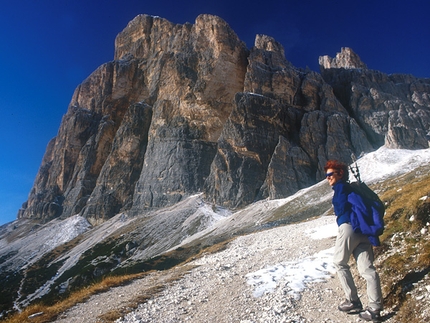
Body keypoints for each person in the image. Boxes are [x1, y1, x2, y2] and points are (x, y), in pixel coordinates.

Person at [324, 160, 383, 322]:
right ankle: (374, 309)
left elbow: (342, 209)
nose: (328, 178)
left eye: (330, 174)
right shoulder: (353, 188)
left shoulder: (341, 188)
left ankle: (353, 301)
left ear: (340, 174)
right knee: (368, 270)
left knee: (339, 263)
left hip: (349, 228)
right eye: (326, 175)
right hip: (363, 231)